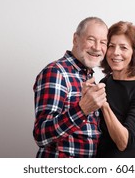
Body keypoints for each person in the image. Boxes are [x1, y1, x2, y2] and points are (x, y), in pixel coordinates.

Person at [33, 17, 108, 157]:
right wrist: (82, 109)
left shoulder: (88, 78)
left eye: (103, 42)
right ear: (75, 39)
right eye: (91, 39)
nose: (97, 47)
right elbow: (41, 134)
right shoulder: (56, 72)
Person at [96, 21, 135, 157]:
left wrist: (104, 106)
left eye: (123, 47)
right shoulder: (104, 83)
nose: (115, 53)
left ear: (134, 52)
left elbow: (124, 142)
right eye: (111, 46)